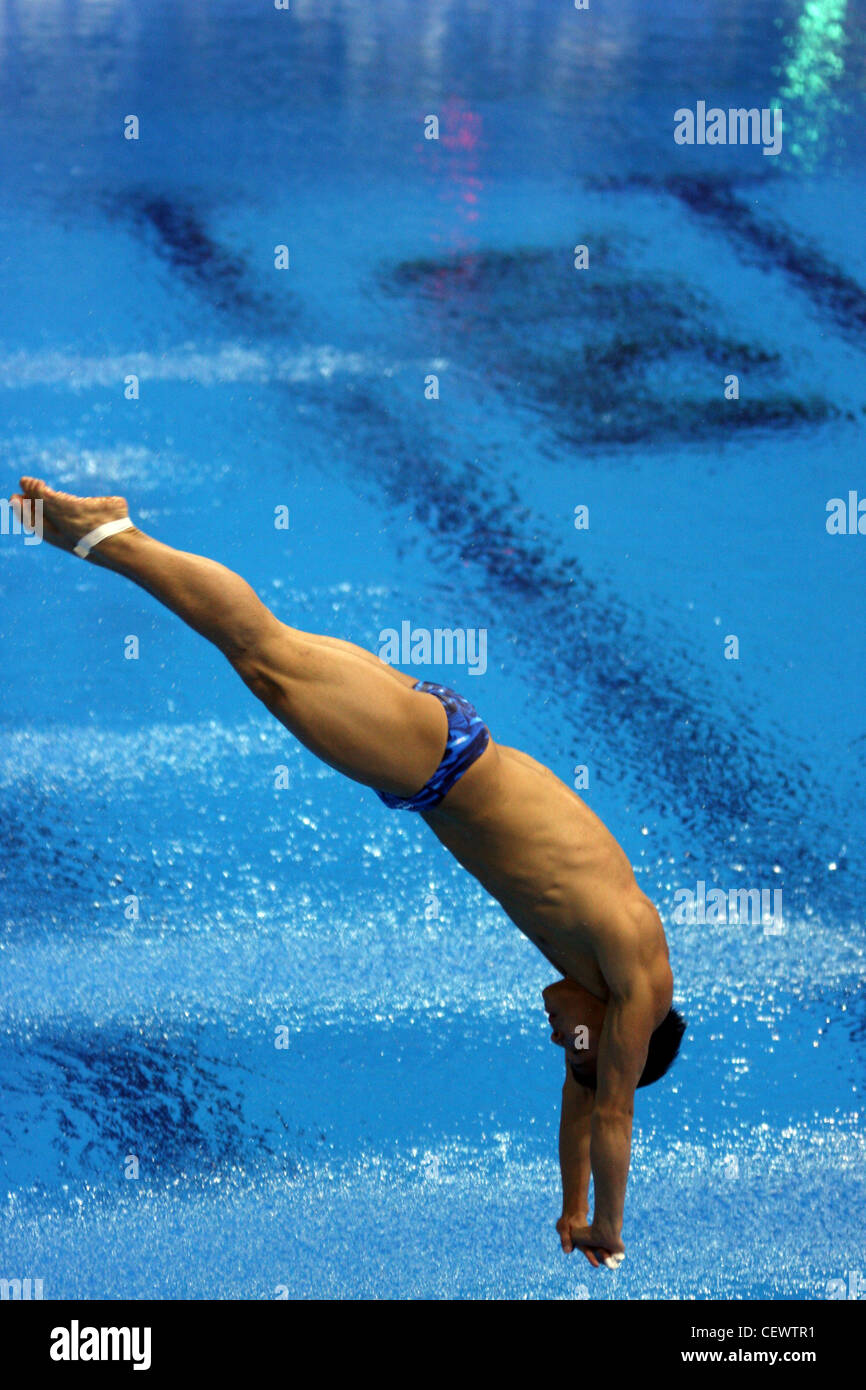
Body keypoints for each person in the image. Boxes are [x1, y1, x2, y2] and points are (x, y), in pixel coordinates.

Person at [11, 477, 685, 1270]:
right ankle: (108, 535)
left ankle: (113, 537)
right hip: (440, 760)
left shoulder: (600, 988)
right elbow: (610, 1114)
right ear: (615, 1039)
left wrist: (572, 1211)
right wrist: (612, 1227)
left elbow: (582, 1104)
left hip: (439, 757)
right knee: (262, 657)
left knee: (272, 651)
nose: (553, 1034)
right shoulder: (639, 969)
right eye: (575, 1045)